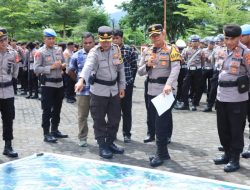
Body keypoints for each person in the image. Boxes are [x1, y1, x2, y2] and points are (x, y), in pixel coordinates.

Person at [75, 26, 126, 159]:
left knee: (115, 118)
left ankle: (110, 142)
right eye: (103, 40)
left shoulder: (116, 49)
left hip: (114, 90)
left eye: (108, 40)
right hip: (98, 91)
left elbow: (121, 69)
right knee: (99, 120)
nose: (106, 43)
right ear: (99, 39)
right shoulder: (94, 52)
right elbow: (87, 67)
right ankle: (102, 145)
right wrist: (81, 80)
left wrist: (122, 86)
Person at [138, 24, 181, 167]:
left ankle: (159, 154)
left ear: (163, 34)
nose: (155, 38)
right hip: (150, 90)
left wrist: (169, 84)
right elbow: (140, 72)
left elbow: (176, 68)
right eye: (152, 36)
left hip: (165, 92)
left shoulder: (172, 49)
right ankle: (164, 153)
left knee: (161, 123)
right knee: (155, 121)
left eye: (157, 35)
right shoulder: (147, 51)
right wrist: (147, 65)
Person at [213, 24, 250, 172]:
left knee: (236, 130)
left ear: (240, 37)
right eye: (226, 38)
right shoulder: (221, 50)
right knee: (223, 128)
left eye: (232, 39)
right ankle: (227, 155)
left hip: (237, 98)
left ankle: (235, 159)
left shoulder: (246, 53)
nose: (228, 42)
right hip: (221, 95)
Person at [34, 28, 68, 143]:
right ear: (44, 39)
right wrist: (51, 67)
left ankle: (55, 130)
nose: (52, 40)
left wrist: (62, 65)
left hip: (59, 84)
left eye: (53, 38)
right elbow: (36, 69)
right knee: (47, 110)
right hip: (48, 85)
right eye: (49, 38)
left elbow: (64, 63)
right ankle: (46, 133)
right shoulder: (40, 52)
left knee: (57, 109)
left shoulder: (59, 50)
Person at [69, 32, 95, 147]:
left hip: (98, 91)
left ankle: (100, 137)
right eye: (85, 43)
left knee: (98, 116)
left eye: (90, 42)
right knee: (82, 116)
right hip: (83, 91)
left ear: (94, 42)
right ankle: (83, 138)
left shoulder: (100, 53)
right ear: (82, 43)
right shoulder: (76, 55)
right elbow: (70, 71)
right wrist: (79, 81)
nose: (88, 45)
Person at [112, 29, 138, 143]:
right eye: (113, 38)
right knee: (114, 111)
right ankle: (112, 133)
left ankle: (127, 134)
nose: (114, 40)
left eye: (117, 38)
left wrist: (130, 80)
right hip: (113, 85)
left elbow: (134, 66)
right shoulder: (109, 50)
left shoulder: (129, 49)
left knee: (126, 110)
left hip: (127, 84)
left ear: (122, 38)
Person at [0, 27, 19, 157]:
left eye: (4, 39)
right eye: (0, 40)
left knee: (8, 119)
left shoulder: (13, 54)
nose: (3, 42)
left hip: (8, 91)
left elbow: (15, 71)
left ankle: (8, 146)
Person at [175, 35, 205, 111]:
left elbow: (202, 61)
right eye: (193, 41)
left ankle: (194, 104)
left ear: (199, 42)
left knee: (197, 88)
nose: (194, 43)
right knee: (185, 87)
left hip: (197, 70)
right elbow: (182, 59)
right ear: (190, 42)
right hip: (188, 70)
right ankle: (185, 104)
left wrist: (200, 68)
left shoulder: (201, 51)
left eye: (196, 41)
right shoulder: (186, 50)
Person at [240, 24, 250, 158]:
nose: (240, 38)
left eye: (243, 36)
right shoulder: (239, 50)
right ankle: (237, 144)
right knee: (239, 119)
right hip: (241, 91)